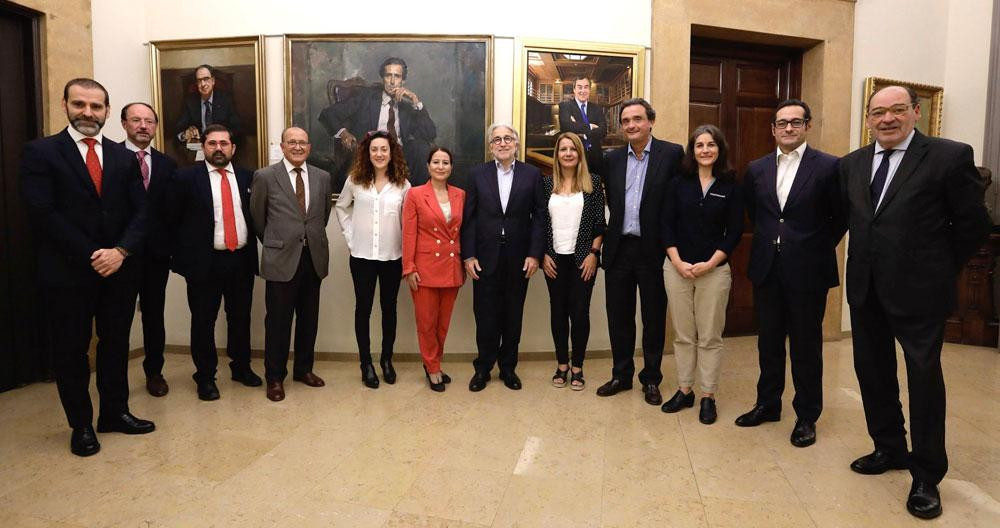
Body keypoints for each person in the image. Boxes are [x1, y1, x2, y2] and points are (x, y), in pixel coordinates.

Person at [840, 85, 990, 520]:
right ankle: (888, 447)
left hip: (920, 292)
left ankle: (926, 474)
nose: (887, 119)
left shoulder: (948, 155)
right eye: (877, 112)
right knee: (873, 372)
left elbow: (972, 224)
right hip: (866, 288)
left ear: (915, 113)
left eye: (897, 110)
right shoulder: (852, 164)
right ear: (867, 118)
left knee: (923, 380)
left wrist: (938, 267)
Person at [20, 78, 154, 457]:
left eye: (96, 107)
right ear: (65, 105)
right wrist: (95, 253)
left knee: (115, 345)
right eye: (80, 104)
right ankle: (80, 425)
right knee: (72, 351)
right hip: (68, 273)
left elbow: (141, 211)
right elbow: (42, 213)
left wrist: (121, 251)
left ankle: (114, 413)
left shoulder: (122, 157)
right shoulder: (41, 153)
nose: (88, 113)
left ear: (108, 112)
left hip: (118, 271)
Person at [734, 99, 843, 446]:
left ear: (807, 126)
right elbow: (757, 212)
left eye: (796, 122)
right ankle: (767, 404)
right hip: (767, 267)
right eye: (782, 123)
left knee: (806, 346)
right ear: (773, 129)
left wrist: (810, 244)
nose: (788, 128)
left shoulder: (828, 167)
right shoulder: (757, 168)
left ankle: (807, 416)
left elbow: (840, 217)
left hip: (808, 270)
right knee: (768, 342)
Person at [596, 98, 683, 405]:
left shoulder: (671, 154)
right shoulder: (613, 159)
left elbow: (677, 204)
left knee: (653, 317)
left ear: (650, 121)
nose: (631, 125)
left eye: (637, 119)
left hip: (653, 250)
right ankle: (621, 374)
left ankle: (651, 379)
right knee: (618, 316)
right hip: (619, 248)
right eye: (626, 121)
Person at [168, 124, 262, 401]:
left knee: (240, 318)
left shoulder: (248, 177)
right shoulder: (185, 178)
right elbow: (172, 220)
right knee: (203, 321)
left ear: (233, 148)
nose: (218, 148)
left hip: (241, 260)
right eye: (212, 143)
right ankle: (205, 377)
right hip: (203, 263)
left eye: (224, 143)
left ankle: (241, 367)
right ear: (203, 146)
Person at [660, 125, 742, 424]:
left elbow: (734, 232)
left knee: (709, 336)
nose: (705, 150)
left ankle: (707, 395)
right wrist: (678, 262)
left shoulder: (730, 184)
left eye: (711, 145)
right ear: (691, 150)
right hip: (677, 268)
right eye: (699, 145)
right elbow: (665, 225)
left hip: (714, 271)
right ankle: (685, 390)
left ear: (720, 150)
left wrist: (710, 263)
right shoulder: (678, 183)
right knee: (683, 335)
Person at [250, 127, 333, 402]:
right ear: (283, 146)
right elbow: (258, 219)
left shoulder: (323, 177)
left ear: (309, 147)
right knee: (278, 322)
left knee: (309, 319)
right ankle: (275, 378)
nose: (297, 147)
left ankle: (303, 370)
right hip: (281, 260)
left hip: (313, 259)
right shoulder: (265, 176)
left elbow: (322, 216)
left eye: (302, 143)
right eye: (292, 142)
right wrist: (277, 242)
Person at [462, 124, 545, 392]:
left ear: (516, 144)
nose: (502, 143)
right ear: (490, 147)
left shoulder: (532, 174)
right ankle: (483, 368)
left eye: (508, 138)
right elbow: (470, 218)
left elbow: (540, 219)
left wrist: (535, 254)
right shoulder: (477, 174)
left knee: (512, 316)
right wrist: (469, 255)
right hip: (484, 258)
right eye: (496, 139)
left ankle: (508, 368)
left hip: (519, 258)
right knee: (485, 317)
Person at [335, 130, 411, 388]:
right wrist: (350, 236)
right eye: (374, 150)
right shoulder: (355, 180)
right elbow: (341, 207)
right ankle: (365, 363)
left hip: (392, 256)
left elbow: (409, 221)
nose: (379, 154)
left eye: (384, 149)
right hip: (362, 257)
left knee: (389, 309)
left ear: (392, 153)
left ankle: (386, 361)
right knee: (363, 309)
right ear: (367, 153)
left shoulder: (403, 184)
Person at [120, 102, 178, 397]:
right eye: (136, 120)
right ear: (124, 124)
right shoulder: (110, 157)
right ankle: (115, 378)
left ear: (155, 127)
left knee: (154, 316)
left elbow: (173, 211)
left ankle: (154, 372)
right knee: (117, 318)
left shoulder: (167, 164)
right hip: (120, 255)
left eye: (149, 121)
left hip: (156, 255)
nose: (143, 126)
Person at [541, 132, 606, 391]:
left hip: (583, 260)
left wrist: (594, 253)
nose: (568, 153)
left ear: (580, 154)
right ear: (557, 154)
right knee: (558, 313)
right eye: (563, 149)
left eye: (573, 149)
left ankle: (577, 366)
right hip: (554, 259)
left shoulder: (593, 183)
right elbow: (541, 224)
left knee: (579, 313)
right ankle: (561, 365)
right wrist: (544, 253)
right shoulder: (546, 185)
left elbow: (600, 224)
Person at [402, 147, 466, 391]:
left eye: (446, 162)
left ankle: (433, 362)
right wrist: (409, 267)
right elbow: (408, 233)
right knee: (427, 323)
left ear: (451, 167)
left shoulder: (461, 195)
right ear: (428, 166)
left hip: (451, 266)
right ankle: (433, 367)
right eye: (436, 162)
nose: (441, 166)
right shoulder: (416, 195)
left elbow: (465, 231)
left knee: (443, 324)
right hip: (425, 268)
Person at [319, 57, 437, 185]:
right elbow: (328, 114)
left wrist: (416, 102)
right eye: (388, 76)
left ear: (403, 81)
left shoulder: (407, 106)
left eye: (397, 76)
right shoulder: (365, 97)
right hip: (368, 152)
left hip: (400, 155)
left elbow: (430, 134)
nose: (392, 81)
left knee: (420, 148)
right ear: (382, 78)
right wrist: (344, 133)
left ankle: (415, 199)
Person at [174, 64, 243, 145]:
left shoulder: (226, 100)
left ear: (213, 81)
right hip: (198, 147)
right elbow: (177, 130)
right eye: (199, 80)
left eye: (206, 79)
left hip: (220, 145)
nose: (203, 84)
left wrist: (222, 138)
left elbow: (238, 129)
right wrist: (185, 134)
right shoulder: (190, 102)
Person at [558, 77, 608, 175]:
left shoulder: (597, 108)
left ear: (589, 89)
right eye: (579, 87)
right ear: (574, 89)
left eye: (586, 87)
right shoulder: (565, 106)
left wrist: (581, 131)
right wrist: (589, 126)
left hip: (595, 157)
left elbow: (603, 131)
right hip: (574, 157)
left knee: (595, 188)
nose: (583, 91)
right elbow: (566, 127)